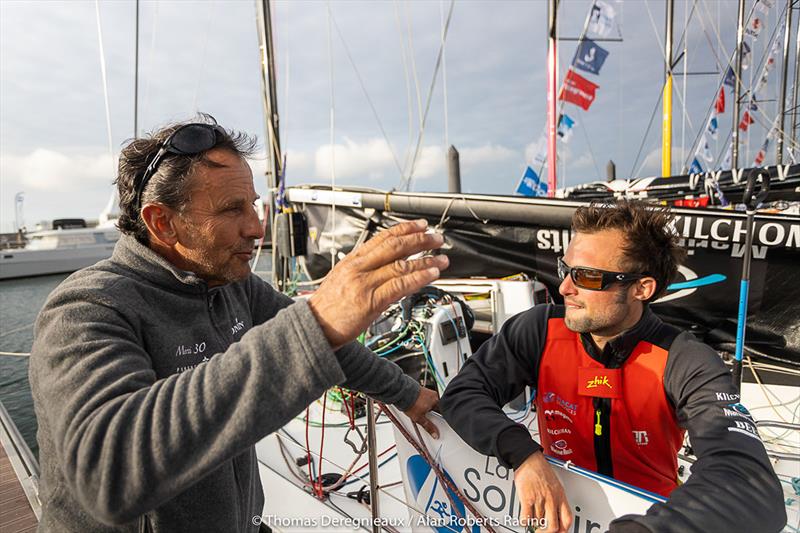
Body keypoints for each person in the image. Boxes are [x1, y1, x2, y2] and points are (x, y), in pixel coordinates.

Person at [29, 115, 448, 532]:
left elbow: (331, 346)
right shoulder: (87, 307)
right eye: (233, 209)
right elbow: (107, 475)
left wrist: (407, 393)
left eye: (253, 205)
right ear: (163, 223)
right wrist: (315, 323)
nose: (257, 227)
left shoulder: (233, 285)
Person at [440, 200, 786, 533]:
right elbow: (463, 393)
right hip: (559, 514)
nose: (564, 288)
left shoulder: (685, 359)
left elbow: (751, 485)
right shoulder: (539, 330)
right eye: (566, 270)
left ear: (641, 288)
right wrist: (523, 455)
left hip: (650, 520)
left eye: (587, 277)